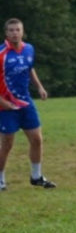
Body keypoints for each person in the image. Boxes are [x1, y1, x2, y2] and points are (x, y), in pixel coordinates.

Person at [0, 18, 56, 191]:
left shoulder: (29, 49)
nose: (15, 33)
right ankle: (0, 179)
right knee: (7, 144)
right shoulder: (1, 54)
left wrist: (39, 87)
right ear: (6, 33)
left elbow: (30, 68)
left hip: (25, 102)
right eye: (11, 30)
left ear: (22, 31)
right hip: (5, 106)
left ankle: (36, 176)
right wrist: (3, 102)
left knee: (37, 139)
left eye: (18, 29)